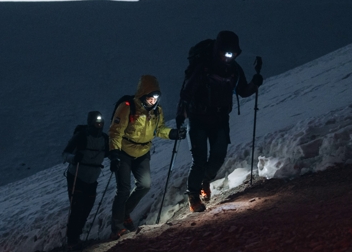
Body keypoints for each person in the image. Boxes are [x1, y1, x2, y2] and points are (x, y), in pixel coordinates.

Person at [176, 30, 263, 212]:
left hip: (220, 118)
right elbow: (187, 91)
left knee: (218, 157)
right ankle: (193, 195)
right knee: (199, 159)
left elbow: (243, 91)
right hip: (198, 117)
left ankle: (204, 181)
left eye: (232, 52)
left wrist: (255, 83)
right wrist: (181, 115)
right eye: (226, 51)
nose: (228, 56)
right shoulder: (203, 65)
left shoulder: (234, 69)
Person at [107, 74, 186, 239]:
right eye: (150, 96)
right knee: (123, 189)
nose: (153, 100)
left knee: (145, 185)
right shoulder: (128, 107)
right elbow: (115, 131)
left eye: (156, 97)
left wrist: (172, 133)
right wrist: (114, 154)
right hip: (124, 152)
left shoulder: (157, 111)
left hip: (143, 152)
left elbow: (158, 129)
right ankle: (117, 226)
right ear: (143, 94)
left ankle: (124, 213)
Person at [62, 111, 108, 248]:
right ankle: (72, 239)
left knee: (87, 207)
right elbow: (65, 154)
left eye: (100, 123)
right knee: (77, 207)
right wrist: (74, 159)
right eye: (96, 123)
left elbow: (110, 152)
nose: (99, 126)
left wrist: (115, 159)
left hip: (91, 178)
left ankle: (76, 237)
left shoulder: (105, 139)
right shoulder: (81, 136)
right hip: (76, 176)